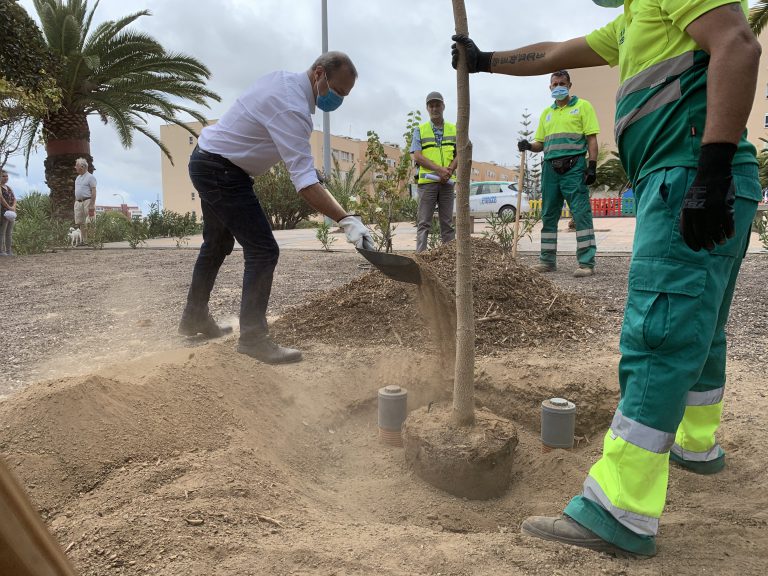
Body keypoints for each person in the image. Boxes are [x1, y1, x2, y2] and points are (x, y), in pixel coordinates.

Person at [452, 0, 762, 558]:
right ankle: (695, 444)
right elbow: (554, 52)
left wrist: (710, 167)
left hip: (687, 175)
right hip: (704, 179)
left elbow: (738, 44)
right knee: (702, 323)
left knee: (657, 337)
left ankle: (618, 509)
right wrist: (484, 61)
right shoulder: (631, 20)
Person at [179, 51, 373, 365]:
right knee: (263, 250)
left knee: (216, 244)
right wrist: (347, 220)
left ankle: (194, 317)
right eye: (337, 90)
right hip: (222, 171)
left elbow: (273, 140)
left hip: (207, 158)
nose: (337, 99)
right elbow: (305, 184)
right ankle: (253, 338)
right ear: (319, 74)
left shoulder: (282, 81)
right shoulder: (293, 108)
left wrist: (312, 174)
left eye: (344, 95)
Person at [518, 71, 599, 277]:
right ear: (550, 87)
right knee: (548, 214)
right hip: (550, 170)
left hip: (574, 167)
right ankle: (547, 261)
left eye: (562, 83)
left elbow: (591, 139)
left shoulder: (583, 106)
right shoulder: (547, 113)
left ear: (569, 85)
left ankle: (586, 263)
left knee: (580, 214)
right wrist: (528, 145)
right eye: (555, 84)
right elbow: (540, 144)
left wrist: (592, 165)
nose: (558, 87)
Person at [411, 91, 457, 253]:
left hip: (447, 183)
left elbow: (461, 153)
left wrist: (449, 171)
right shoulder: (420, 130)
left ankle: (449, 258)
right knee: (424, 223)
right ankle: (421, 257)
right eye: (431, 106)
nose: (434, 108)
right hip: (427, 183)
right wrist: (440, 170)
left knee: (447, 224)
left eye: (437, 105)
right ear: (427, 108)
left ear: (443, 106)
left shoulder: (454, 129)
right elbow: (417, 156)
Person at [73, 158, 97, 244]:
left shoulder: (90, 177)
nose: (75, 167)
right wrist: (76, 202)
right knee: (81, 223)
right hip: (78, 202)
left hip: (88, 201)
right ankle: (84, 241)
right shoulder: (77, 178)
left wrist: (92, 204)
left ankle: (91, 241)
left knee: (90, 222)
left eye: (77, 166)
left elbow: (94, 191)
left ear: (82, 167)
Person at [1, 170, 17, 256]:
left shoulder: (9, 187)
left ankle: (9, 251)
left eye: (6, 176)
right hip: (3, 212)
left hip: (11, 213)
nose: (6, 178)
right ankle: (1, 251)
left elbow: (14, 198)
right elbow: (1, 199)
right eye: (3, 176)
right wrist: (9, 207)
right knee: (2, 232)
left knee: (9, 232)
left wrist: (13, 207)